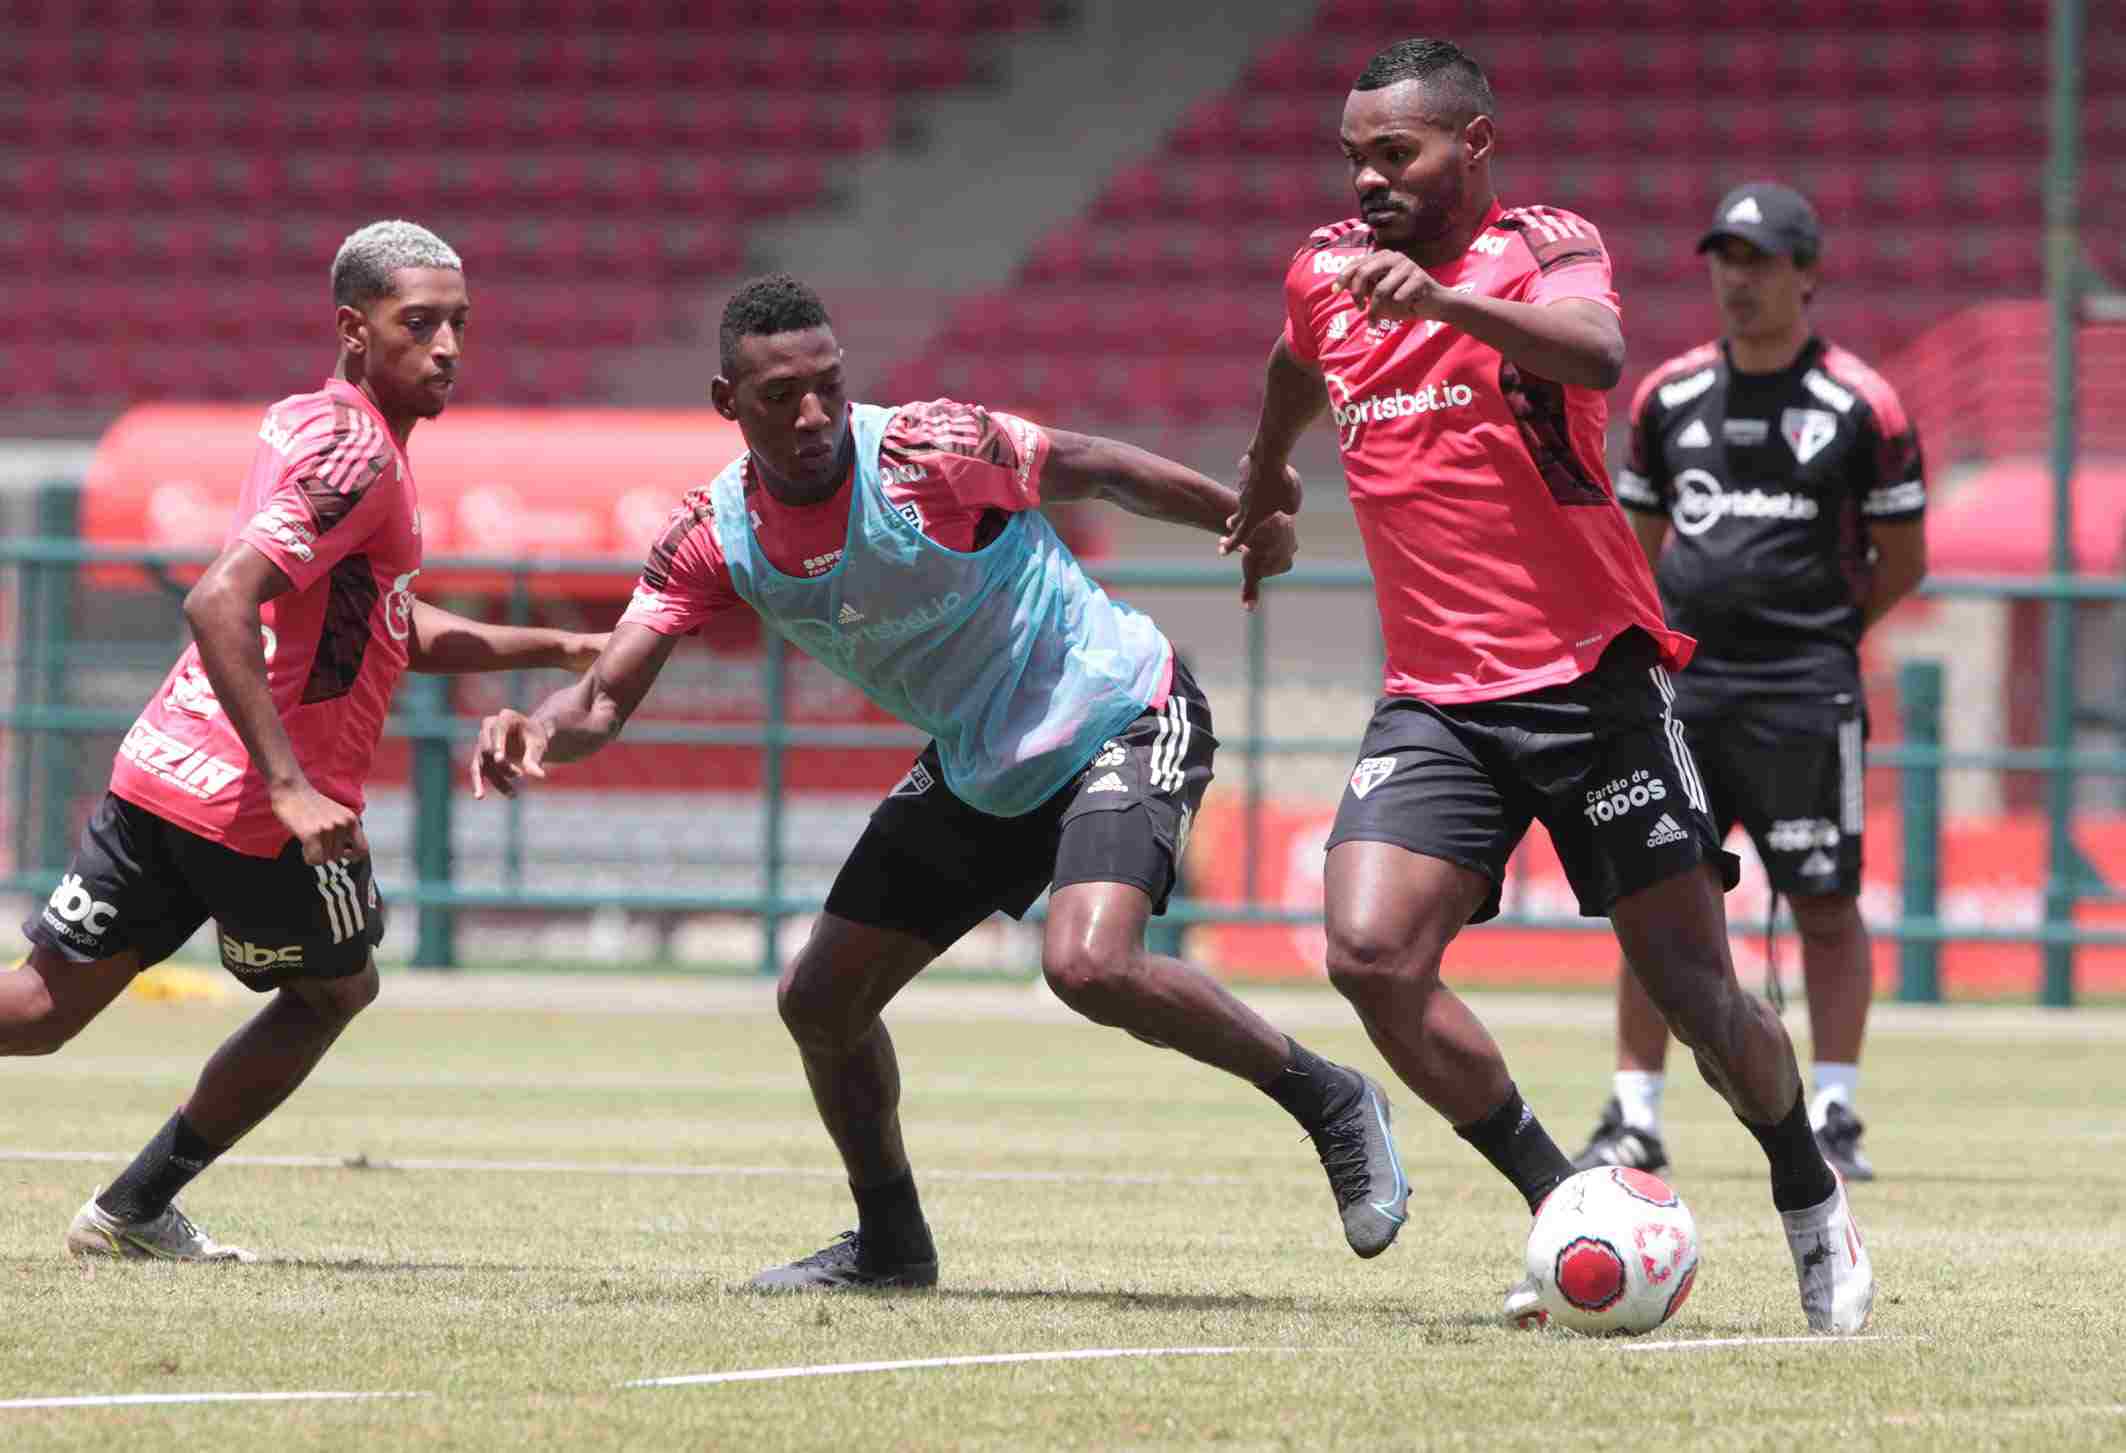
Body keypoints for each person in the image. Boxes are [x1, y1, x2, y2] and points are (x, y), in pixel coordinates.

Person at [470, 273, 1410, 1291]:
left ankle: (1334, 1101)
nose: (815, 413)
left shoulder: (926, 448)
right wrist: (538, 731)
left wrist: (1242, 515)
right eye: (781, 395)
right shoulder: (712, 536)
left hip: (1119, 710)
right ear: (724, 402)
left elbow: (1092, 468)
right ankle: (891, 1245)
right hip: (980, 763)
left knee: (1089, 964)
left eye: (828, 384)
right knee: (820, 1001)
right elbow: (604, 698)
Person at [1220, 38, 1873, 1332]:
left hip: (1591, 686)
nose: (1366, 179)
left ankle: (1808, 1197)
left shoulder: (1544, 242)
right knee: (1366, 953)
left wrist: (1441, 305)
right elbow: (1296, 360)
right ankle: (1564, 1199)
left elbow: (1591, 354)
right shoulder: (1323, 273)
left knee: (1696, 996)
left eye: (1392, 154)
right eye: (1352, 155)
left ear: (1471, 145)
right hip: (1435, 698)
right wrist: (1262, 480)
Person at [5, 220, 604, 1261]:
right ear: (353, 329)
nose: (449, 347)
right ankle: (133, 1210)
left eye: (459, 323)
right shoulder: (365, 458)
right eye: (418, 324)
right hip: (259, 809)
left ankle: (132, 1212)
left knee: (41, 1006)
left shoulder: (304, 423)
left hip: (163, 768)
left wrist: (553, 644)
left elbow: (377, 622)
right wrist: (286, 787)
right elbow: (218, 601)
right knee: (334, 989)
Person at [1571, 183, 1927, 1183]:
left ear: (1805, 274)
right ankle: (1632, 1113)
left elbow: (1901, 557)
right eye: (1724, 258)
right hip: (1677, 693)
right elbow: (1633, 549)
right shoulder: (1667, 397)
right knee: (1654, 894)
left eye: (1760, 259)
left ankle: (1835, 1110)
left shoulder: (1860, 404)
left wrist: (1826, 640)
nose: (1738, 279)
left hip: (1803, 694)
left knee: (1823, 901)